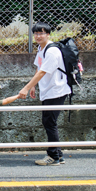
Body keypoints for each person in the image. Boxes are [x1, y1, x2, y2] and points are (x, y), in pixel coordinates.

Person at [19, 22, 72, 166]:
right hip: (49, 90)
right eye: (36, 33)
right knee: (49, 122)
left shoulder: (52, 51)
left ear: (48, 34)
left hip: (56, 90)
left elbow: (43, 72)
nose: (38, 36)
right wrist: (33, 86)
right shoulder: (41, 48)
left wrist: (25, 87)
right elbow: (39, 67)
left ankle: (53, 156)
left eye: (42, 33)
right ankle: (58, 155)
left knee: (50, 123)